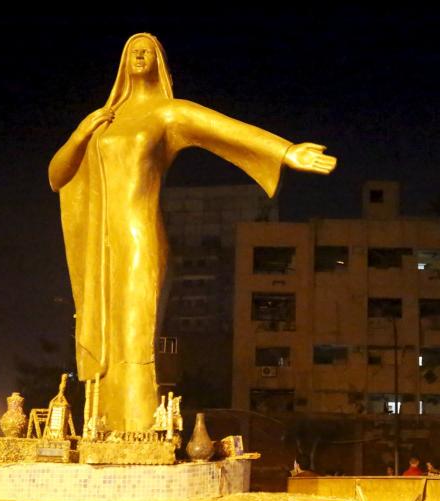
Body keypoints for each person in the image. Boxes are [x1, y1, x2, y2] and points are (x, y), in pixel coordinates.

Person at [49, 33, 336, 431]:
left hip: (139, 235)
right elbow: (57, 176)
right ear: (123, 61)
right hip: (102, 240)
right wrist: (81, 133)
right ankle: (104, 425)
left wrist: (286, 152)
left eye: (148, 51)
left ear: (159, 62)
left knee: (135, 329)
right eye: (134, 51)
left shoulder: (169, 114)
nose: (141, 55)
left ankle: (138, 431)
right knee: (107, 336)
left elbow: (226, 130)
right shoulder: (102, 121)